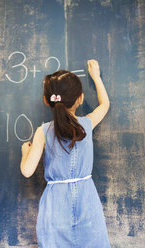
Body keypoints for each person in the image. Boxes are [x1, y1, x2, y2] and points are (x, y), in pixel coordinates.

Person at [20, 59, 111, 247]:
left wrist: (24, 153)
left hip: (55, 206)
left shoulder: (42, 132)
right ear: (81, 98)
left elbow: (27, 171)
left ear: (47, 101)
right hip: (87, 204)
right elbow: (105, 105)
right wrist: (96, 76)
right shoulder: (87, 124)